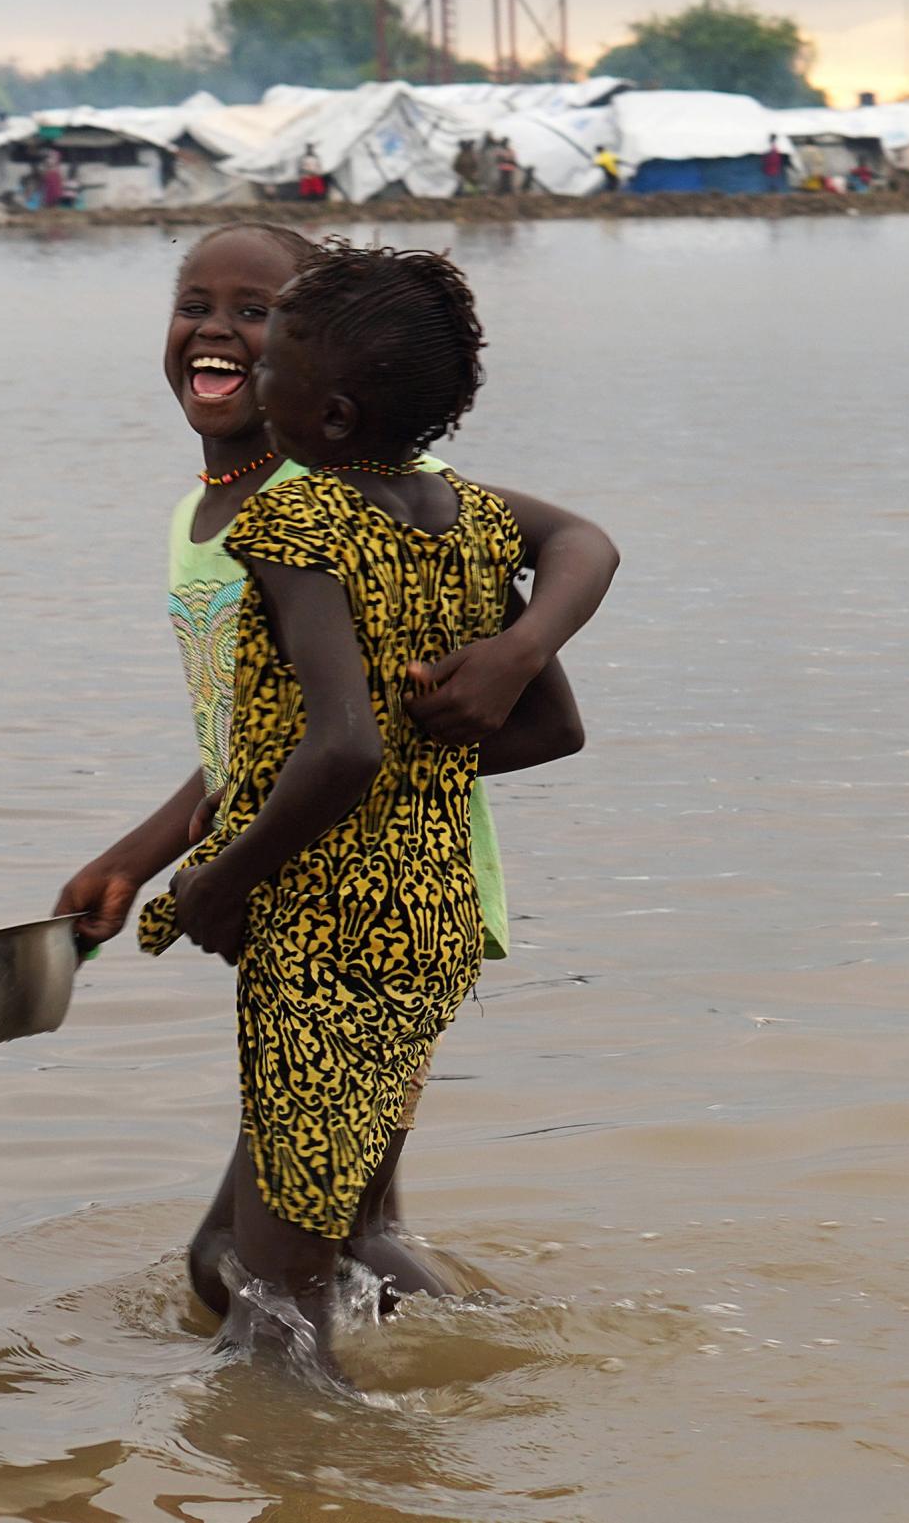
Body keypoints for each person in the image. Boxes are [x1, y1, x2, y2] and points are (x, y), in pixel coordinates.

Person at [52, 223, 618, 1346]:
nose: (223, 336)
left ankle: (329, 1453)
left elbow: (347, 744)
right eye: (194, 303)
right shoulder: (248, 516)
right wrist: (143, 854)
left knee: (281, 1272)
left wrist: (217, 880)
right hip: (382, 901)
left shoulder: (329, 507)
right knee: (298, 1240)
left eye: (261, 322)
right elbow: (268, 740)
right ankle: (498, 1373)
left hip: (340, 908)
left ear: (326, 384)